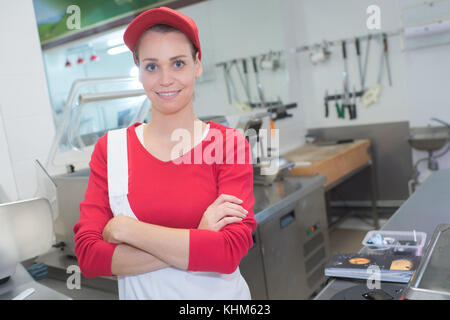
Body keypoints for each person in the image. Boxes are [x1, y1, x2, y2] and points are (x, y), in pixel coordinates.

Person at [73, 6, 257, 300]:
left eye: (178, 63)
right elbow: (90, 258)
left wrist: (125, 229)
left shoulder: (228, 144)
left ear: (198, 65)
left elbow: (229, 252)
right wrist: (199, 236)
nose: (165, 79)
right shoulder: (111, 149)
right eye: (151, 66)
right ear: (139, 71)